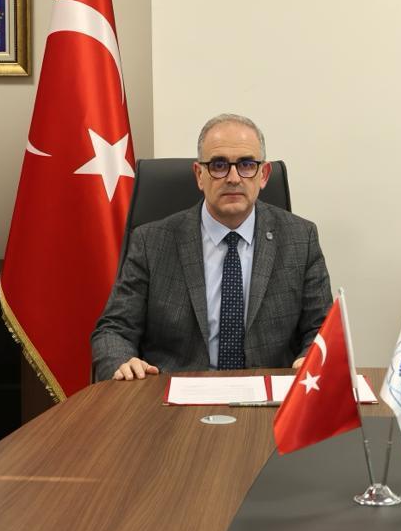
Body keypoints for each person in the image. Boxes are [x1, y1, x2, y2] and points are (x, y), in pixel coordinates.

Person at [91, 113, 332, 381]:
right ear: (199, 175)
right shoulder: (152, 242)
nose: (233, 178)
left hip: (268, 395)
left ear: (263, 175)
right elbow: (114, 330)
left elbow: (322, 329)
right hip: (172, 394)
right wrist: (123, 362)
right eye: (219, 165)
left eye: (247, 165)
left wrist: (312, 357)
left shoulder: (301, 238)